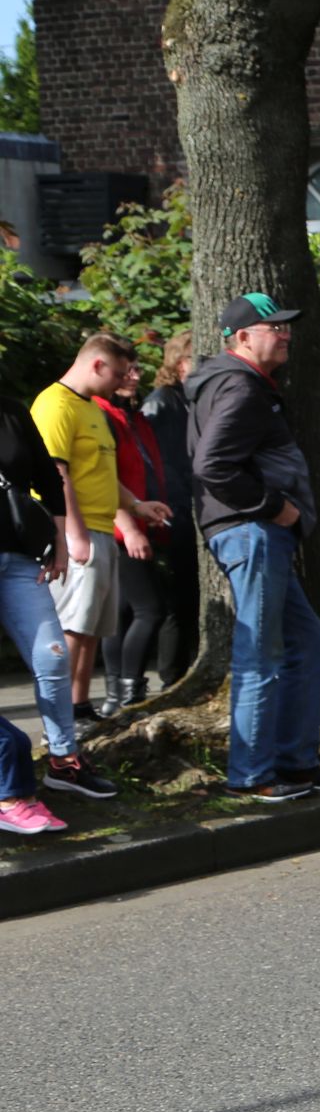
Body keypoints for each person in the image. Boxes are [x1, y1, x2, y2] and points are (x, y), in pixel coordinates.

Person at [189, 294, 320, 802]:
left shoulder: (237, 383)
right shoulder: (240, 387)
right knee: (261, 654)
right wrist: (273, 506)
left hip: (254, 531)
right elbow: (211, 465)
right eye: (275, 328)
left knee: (306, 637)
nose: (286, 335)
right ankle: (251, 775)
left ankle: (296, 765)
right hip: (253, 530)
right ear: (244, 337)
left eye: (286, 327)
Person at [34, 335, 167, 725]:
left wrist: (136, 505)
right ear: (96, 364)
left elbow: (102, 472)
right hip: (78, 533)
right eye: (119, 373)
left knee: (91, 626)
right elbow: (56, 473)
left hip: (102, 529)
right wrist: (73, 536)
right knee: (72, 627)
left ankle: (79, 707)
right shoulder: (55, 405)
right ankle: (58, 719)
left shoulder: (91, 407)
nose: (123, 381)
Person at [2, 385, 112, 808]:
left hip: (20, 559)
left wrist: (61, 541)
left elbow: (49, 477)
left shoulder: (12, 411)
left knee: (52, 655)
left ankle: (65, 760)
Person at [98, 353, 176, 713]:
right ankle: (128, 692)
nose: (132, 376)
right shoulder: (104, 414)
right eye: (125, 370)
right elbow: (105, 477)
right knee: (150, 609)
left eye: (135, 369)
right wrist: (129, 526)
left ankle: (118, 694)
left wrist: (148, 508)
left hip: (137, 518)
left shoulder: (133, 415)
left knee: (125, 611)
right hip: (118, 527)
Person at [141, 330, 201, 684]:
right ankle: (171, 676)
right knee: (178, 600)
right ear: (181, 364)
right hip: (175, 510)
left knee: (190, 596)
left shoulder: (187, 399)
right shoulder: (163, 402)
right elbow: (159, 460)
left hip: (187, 504)